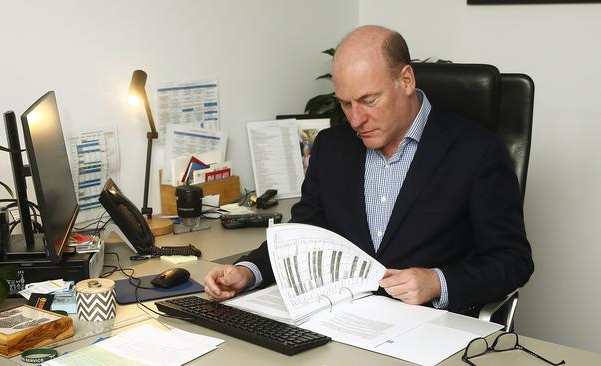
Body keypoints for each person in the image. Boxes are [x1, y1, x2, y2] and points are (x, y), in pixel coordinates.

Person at [204, 25, 534, 316]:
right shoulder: (333, 147)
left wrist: (437, 282)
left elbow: (512, 260)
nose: (355, 119)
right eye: (345, 103)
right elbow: (302, 234)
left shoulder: (477, 151)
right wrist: (247, 272)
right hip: (344, 320)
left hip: (433, 327)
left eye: (368, 100)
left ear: (406, 80)